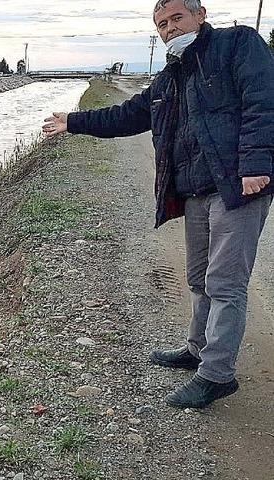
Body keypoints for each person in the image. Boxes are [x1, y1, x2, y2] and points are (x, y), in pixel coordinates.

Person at [42, 0, 274, 409]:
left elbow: (262, 101)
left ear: (200, 15)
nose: (168, 28)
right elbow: (130, 114)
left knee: (225, 283)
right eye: (161, 23)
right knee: (199, 276)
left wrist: (255, 163)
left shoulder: (238, 43)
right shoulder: (170, 75)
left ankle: (216, 374)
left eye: (176, 18)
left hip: (237, 185)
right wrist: (74, 122)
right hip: (196, 188)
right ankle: (197, 348)